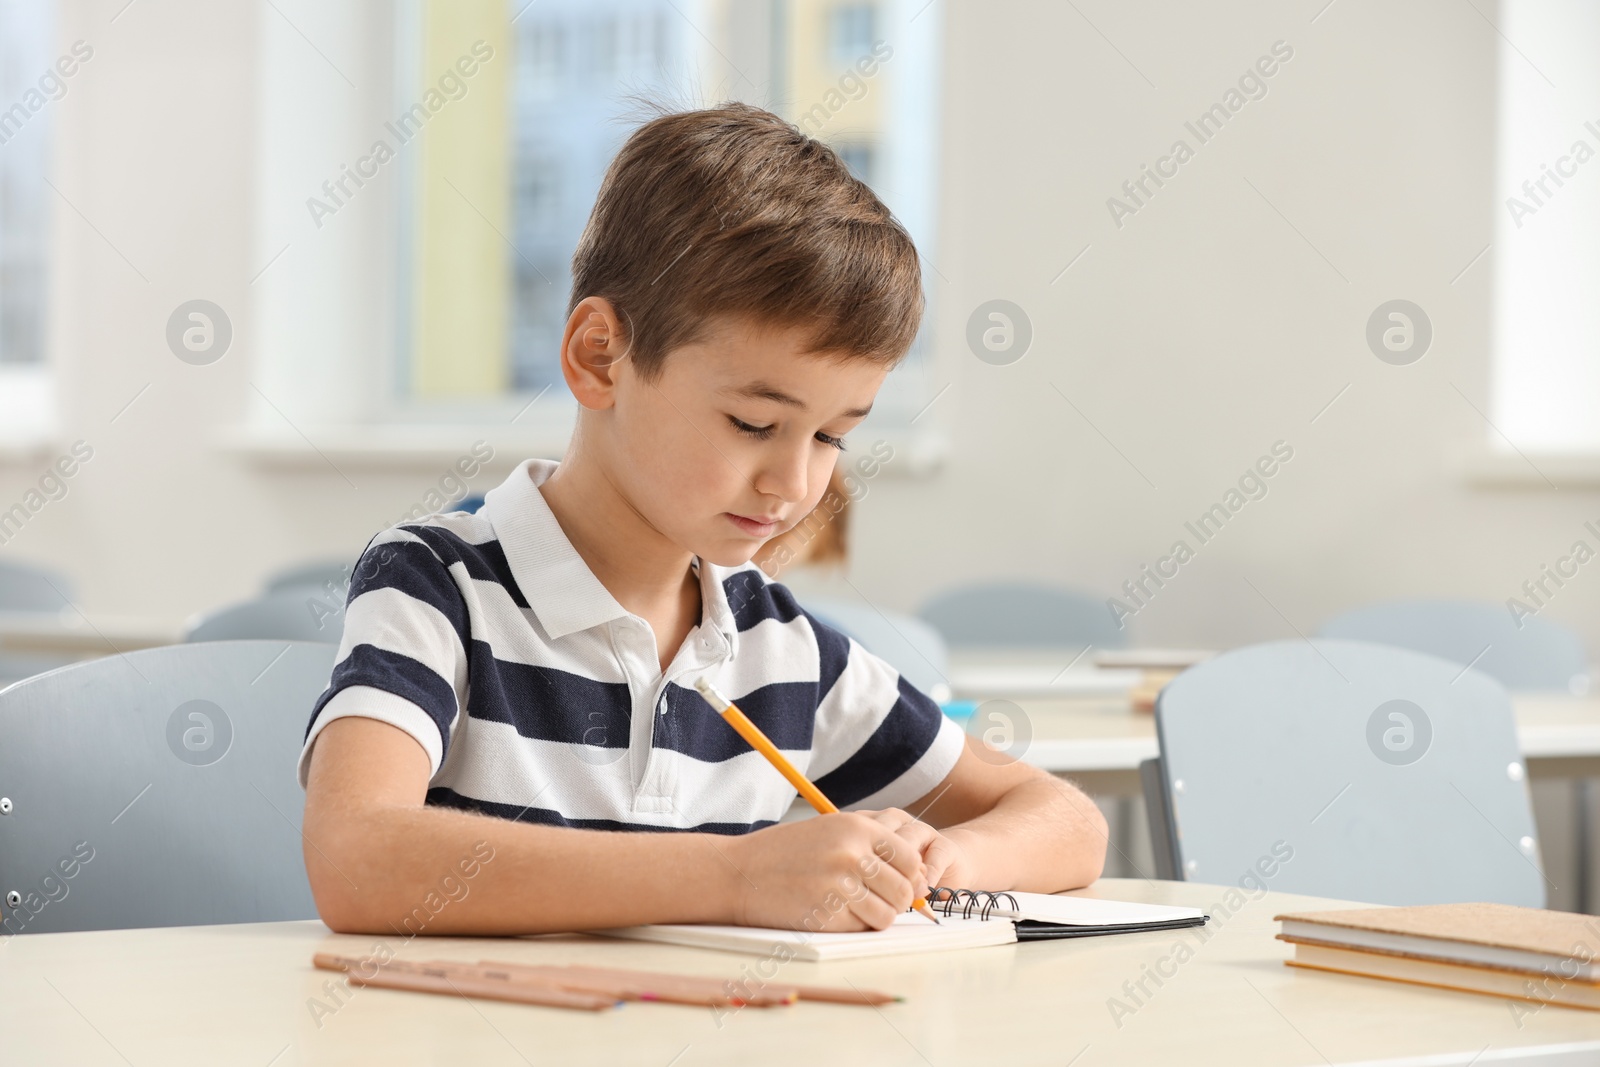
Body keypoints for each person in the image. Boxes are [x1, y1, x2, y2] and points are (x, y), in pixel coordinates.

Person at [298, 103, 1107, 936]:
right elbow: (356, 858)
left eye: (831, 435)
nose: (795, 483)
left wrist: (944, 859)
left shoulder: (781, 650)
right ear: (598, 356)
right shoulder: (437, 585)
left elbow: (1069, 821)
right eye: (754, 424)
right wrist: (735, 876)